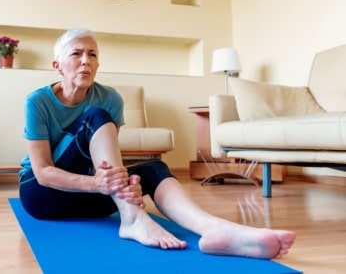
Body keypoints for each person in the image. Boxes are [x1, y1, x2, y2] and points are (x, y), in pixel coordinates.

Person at [18, 27, 295, 259]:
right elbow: (42, 172)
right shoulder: (38, 101)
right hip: (44, 197)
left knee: (154, 169)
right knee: (95, 117)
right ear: (57, 66)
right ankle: (133, 219)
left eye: (92, 54)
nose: (85, 61)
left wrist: (127, 183)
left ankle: (216, 229)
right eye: (76, 54)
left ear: (98, 64)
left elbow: (105, 160)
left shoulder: (110, 98)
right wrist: (97, 184)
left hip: (92, 198)